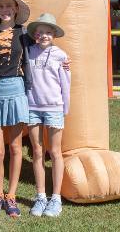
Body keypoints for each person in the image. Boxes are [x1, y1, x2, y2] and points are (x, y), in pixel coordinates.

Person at [0, 0, 71, 217]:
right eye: (1, 6)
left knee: (16, 147)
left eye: (10, 6)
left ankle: (12, 196)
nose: (5, 10)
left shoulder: (25, 36)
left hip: (18, 92)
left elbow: (44, 48)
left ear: (16, 9)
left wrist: (64, 62)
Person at [25, 13, 70, 218]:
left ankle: (56, 199)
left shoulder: (61, 56)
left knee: (55, 152)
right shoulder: (28, 53)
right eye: (40, 32)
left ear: (54, 34)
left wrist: (64, 109)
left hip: (54, 108)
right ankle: (41, 196)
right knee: (37, 151)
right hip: (32, 107)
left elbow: (65, 85)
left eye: (48, 32)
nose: (44, 35)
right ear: (35, 34)